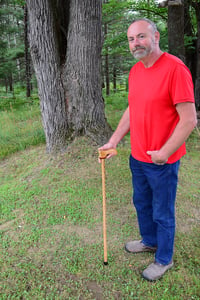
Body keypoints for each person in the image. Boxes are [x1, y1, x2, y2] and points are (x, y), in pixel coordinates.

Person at [99, 18, 197, 281]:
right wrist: (114, 140)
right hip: (138, 157)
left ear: (156, 37)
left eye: (141, 37)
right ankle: (149, 241)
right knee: (141, 203)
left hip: (162, 161)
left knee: (162, 210)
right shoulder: (135, 72)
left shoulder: (175, 69)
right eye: (131, 39)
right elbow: (133, 110)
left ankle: (164, 258)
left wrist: (165, 152)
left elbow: (189, 119)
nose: (136, 43)